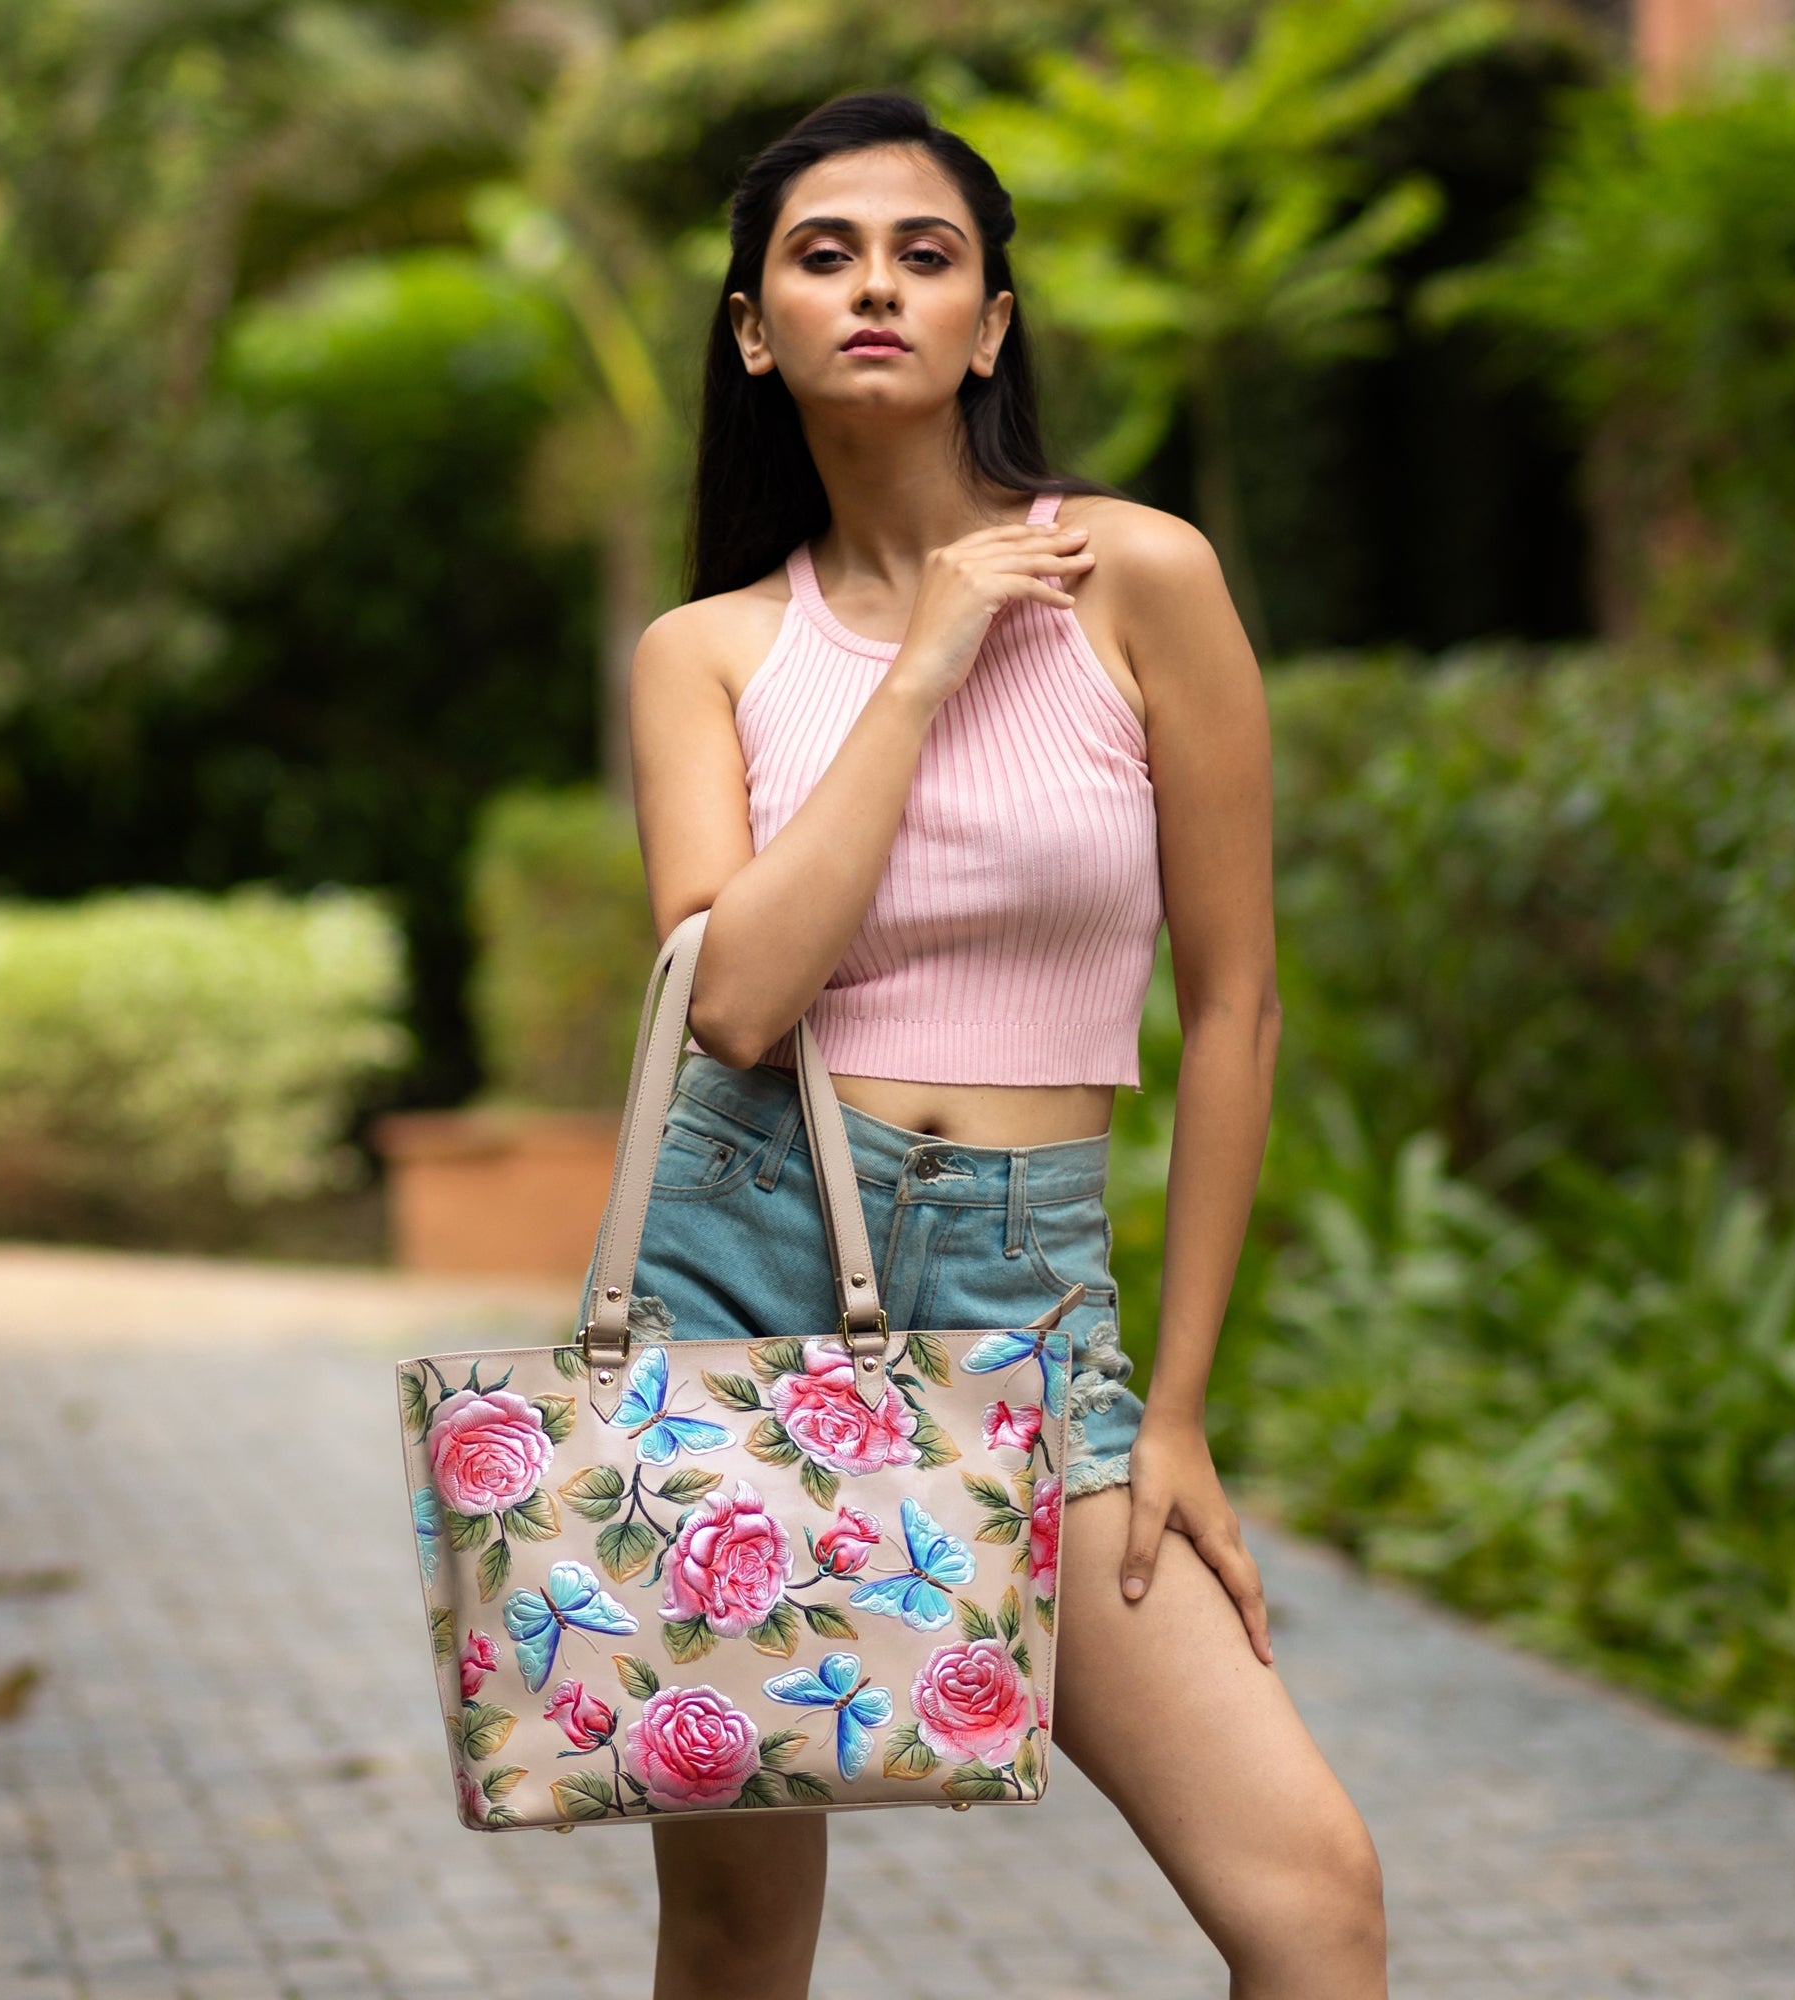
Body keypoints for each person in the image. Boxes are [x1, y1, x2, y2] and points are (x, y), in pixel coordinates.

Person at [579, 87, 1387, 2000]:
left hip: (1034, 1285)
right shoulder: (704, 653)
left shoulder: (1144, 581)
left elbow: (1238, 1006)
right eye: (824, 255)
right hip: (742, 1256)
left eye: (927, 255)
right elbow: (748, 996)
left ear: (992, 324)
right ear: (753, 328)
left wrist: (1173, 1405)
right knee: (740, 1930)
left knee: (1312, 1897)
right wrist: (925, 657)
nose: (879, 287)